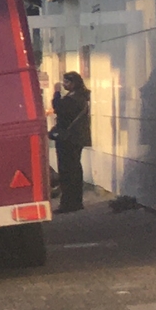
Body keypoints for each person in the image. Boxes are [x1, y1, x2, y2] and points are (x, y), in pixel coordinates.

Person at [52, 71, 91, 211]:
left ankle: (69, 203)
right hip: (76, 138)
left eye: (67, 82)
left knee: (67, 170)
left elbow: (58, 108)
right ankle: (75, 201)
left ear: (73, 83)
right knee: (74, 168)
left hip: (68, 138)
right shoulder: (82, 97)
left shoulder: (74, 99)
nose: (64, 85)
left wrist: (56, 93)